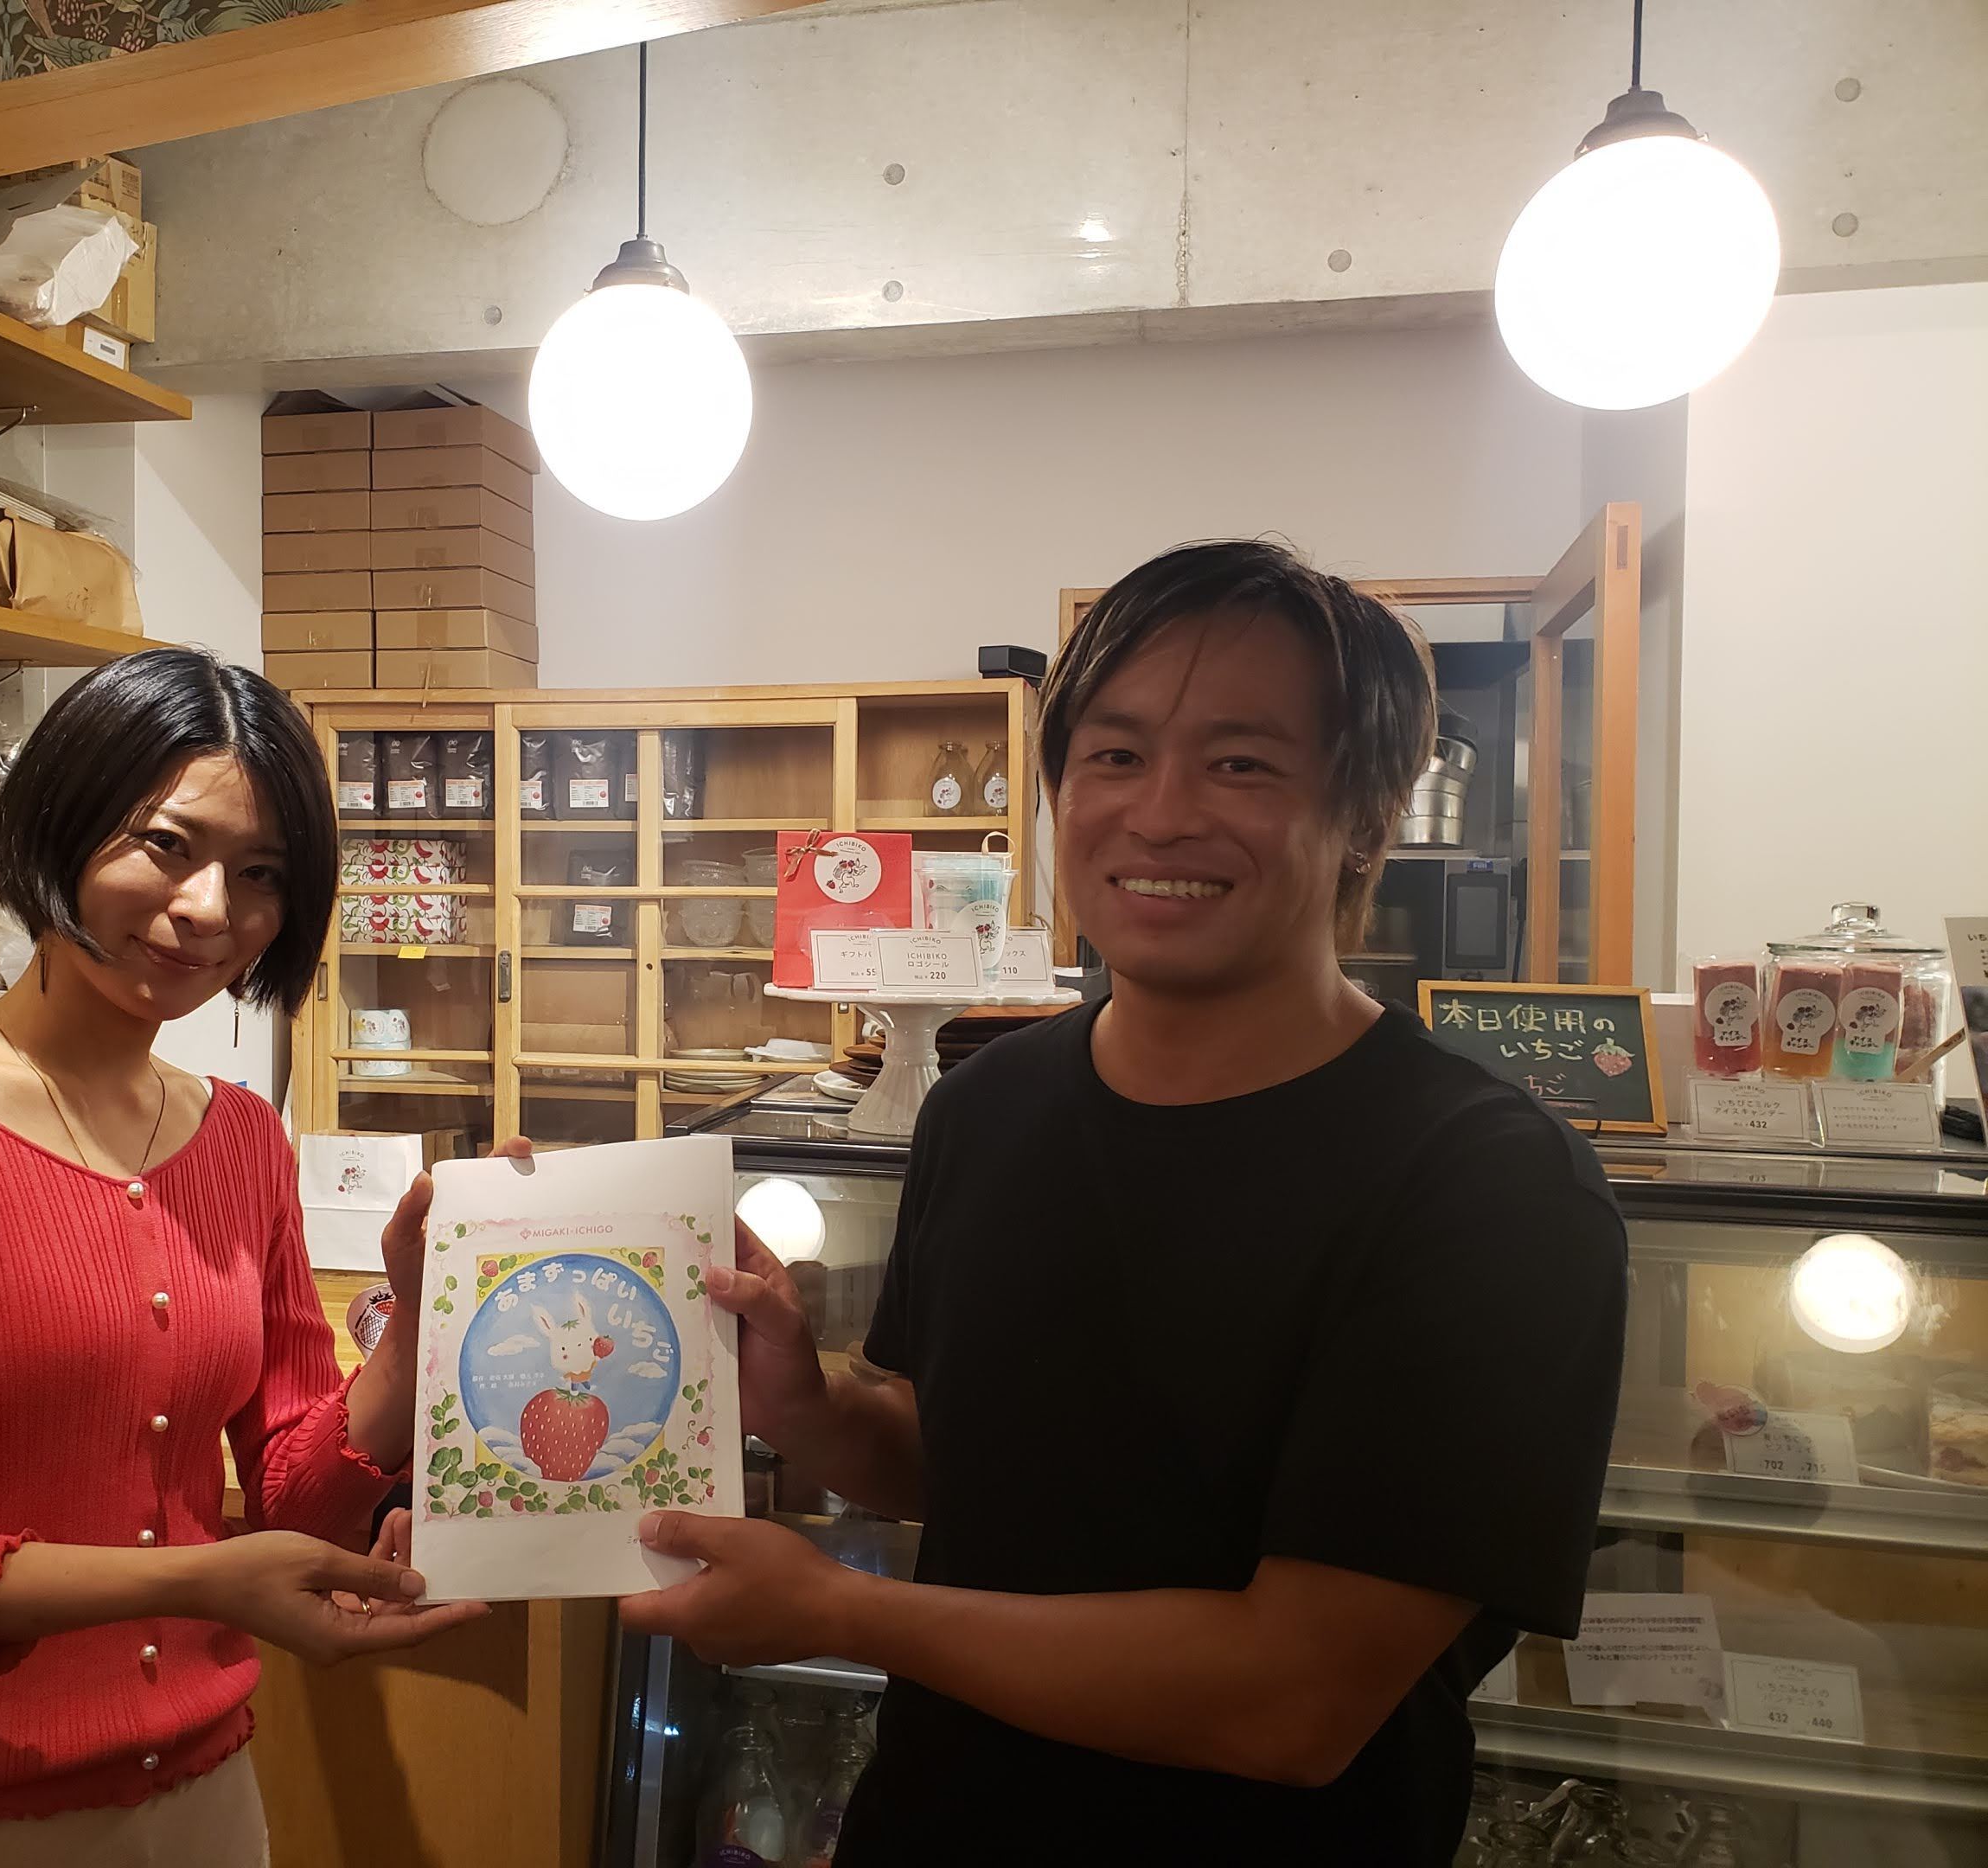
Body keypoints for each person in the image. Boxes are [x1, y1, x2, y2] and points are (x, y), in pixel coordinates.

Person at [623, 541, 1628, 1863]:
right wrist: (805, 1408)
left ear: (1370, 816)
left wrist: (845, 1613)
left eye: (1241, 763)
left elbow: (1294, 1699)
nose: (1158, 815)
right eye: (1114, 754)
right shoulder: (986, 1107)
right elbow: (948, 1454)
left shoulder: (1488, 1186)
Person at [0, 647, 496, 1865]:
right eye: (167, 845)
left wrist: (425, 1318)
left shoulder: (239, 1137)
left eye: (263, 874)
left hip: (205, 1801)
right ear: (63, 821)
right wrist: (194, 1584)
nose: (211, 909)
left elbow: (295, 1495)